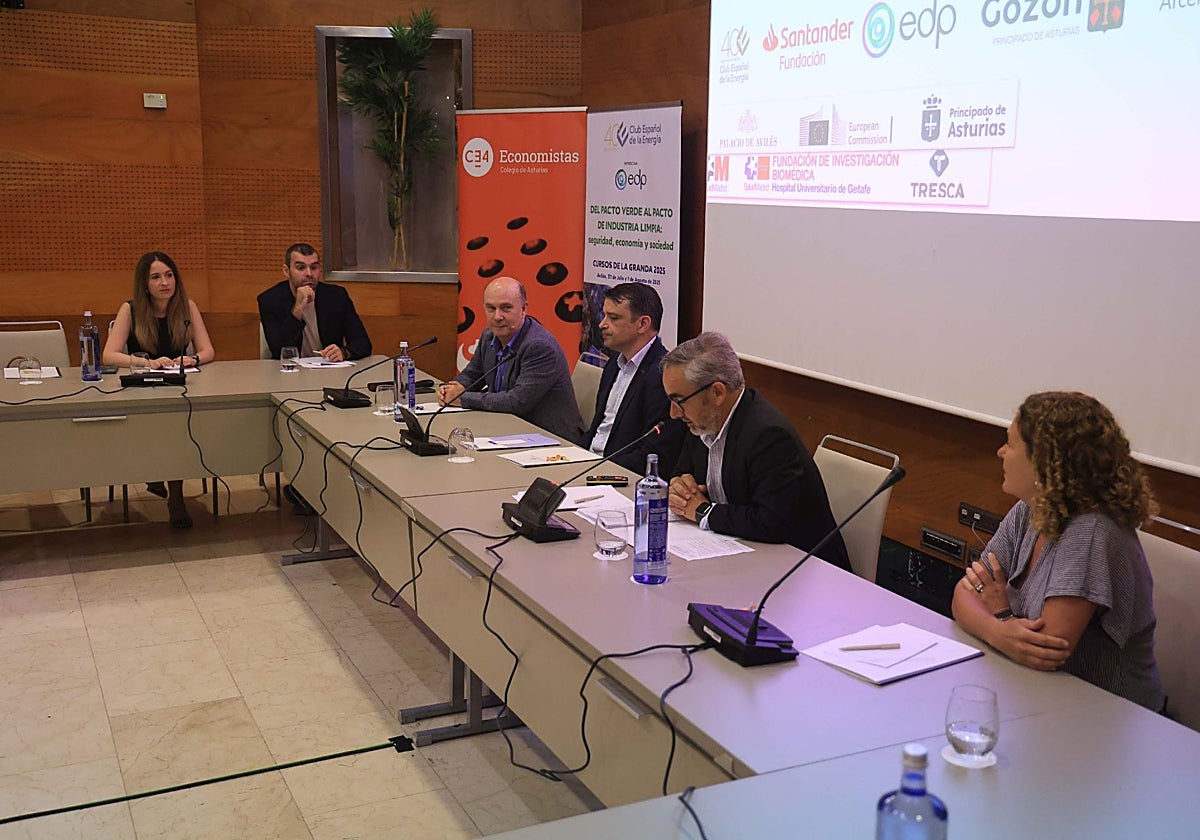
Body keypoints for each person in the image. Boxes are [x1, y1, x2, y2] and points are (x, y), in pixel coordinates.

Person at [952, 391, 1164, 711]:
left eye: (1010, 444)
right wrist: (1000, 629)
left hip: (1110, 718)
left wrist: (1000, 611)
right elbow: (962, 594)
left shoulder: (1090, 531)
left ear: (1043, 461)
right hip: (1042, 698)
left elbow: (1045, 652)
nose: (1000, 452)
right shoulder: (1032, 510)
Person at [662, 332, 850, 570]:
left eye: (679, 401)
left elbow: (772, 522)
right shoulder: (704, 421)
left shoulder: (768, 435)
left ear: (717, 393)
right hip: (736, 554)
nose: (674, 413)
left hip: (803, 572)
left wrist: (702, 511)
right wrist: (680, 486)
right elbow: (682, 472)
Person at [103, 251, 216, 528]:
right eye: (156, 277)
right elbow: (109, 355)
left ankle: (174, 495)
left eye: (169, 275)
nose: (165, 282)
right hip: (140, 390)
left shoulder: (187, 307)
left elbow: (208, 350)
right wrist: (147, 362)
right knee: (164, 427)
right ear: (144, 284)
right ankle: (162, 480)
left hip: (176, 389)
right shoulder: (130, 309)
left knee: (176, 427)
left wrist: (192, 359)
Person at [437, 276, 584, 444]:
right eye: (490, 308)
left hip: (549, 439)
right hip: (507, 428)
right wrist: (452, 389)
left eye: (506, 308)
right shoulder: (489, 335)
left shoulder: (539, 346)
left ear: (523, 308)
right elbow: (473, 374)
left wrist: (462, 398)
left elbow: (517, 401)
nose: (497, 316)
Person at [584, 283, 684, 474]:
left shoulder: (664, 376)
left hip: (620, 474)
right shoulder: (614, 363)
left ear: (642, 324)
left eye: (613, 318)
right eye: (604, 315)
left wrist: (598, 468)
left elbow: (655, 453)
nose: (602, 324)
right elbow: (597, 429)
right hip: (590, 463)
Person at [257, 243, 371, 361]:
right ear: (286, 271)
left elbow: (363, 343)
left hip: (329, 370)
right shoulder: (270, 300)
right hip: (289, 373)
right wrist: (298, 307)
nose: (309, 274)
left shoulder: (337, 296)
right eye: (301, 268)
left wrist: (344, 352)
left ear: (320, 269)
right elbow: (279, 349)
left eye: (314, 267)